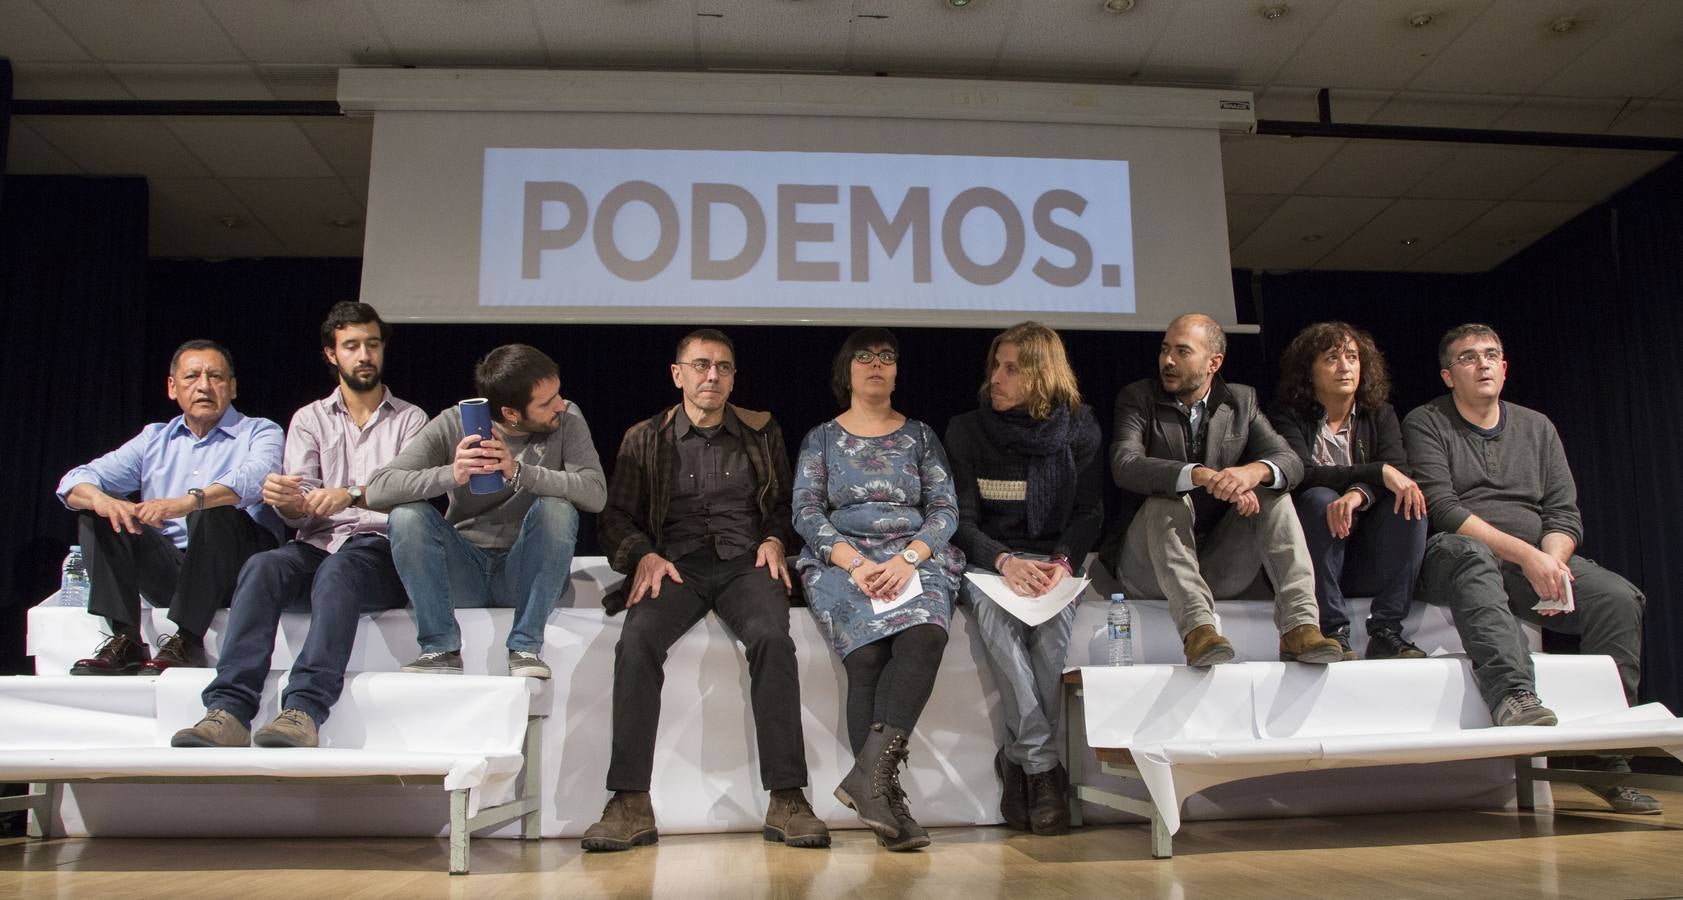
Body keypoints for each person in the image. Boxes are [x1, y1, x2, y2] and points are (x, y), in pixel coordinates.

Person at [582, 329, 827, 852]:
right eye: (699, 365)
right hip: (675, 567)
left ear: (734, 377)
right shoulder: (643, 437)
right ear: (678, 375)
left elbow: (787, 504)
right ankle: (629, 802)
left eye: (722, 366)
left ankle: (787, 799)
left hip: (746, 564)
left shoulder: (761, 432)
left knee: (772, 639)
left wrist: (774, 540)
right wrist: (642, 555)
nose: (711, 375)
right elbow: (616, 517)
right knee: (637, 642)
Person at [1403, 323, 1657, 814]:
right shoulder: (1426, 422)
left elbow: (1563, 512)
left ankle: (1605, 755)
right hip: (1452, 556)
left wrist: (1552, 561)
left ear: (1505, 368)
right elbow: (1444, 508)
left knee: (1617, 598)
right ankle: (1514, 696)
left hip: (1532, 558)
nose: (1483, 364)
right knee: (1472, 554)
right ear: (1447, 375)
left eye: (1492, 355)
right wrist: (1527, 555)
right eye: (1469, 357)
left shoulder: (1537, 426)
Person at [173, 303, 426, 749]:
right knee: (262, 567)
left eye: (372, 344)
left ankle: (304, 708)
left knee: (340, 571)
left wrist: (349, 493)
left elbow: (410, 490)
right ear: (332, 354)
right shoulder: (308, 419)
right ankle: (229, 709)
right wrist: (287, 502)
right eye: (352, 346)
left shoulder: (411, 419)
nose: (364, 355)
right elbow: (298, 510)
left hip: (379, 549)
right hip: (317, 541)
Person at [792, 328, 964, 852]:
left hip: (913, 559)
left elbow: (945, 509)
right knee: (866, 661)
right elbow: (805, 510)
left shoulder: (920, 436)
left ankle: (871, 782)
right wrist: (857, 562)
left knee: (924, 639)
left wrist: (909, 559)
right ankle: (885, 798)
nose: (875, 364)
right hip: (842, 561)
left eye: (886, 356)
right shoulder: (821, 438)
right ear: (846, 372)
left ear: (896, 371)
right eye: (863, 357)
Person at [1111, 313, 1343, 667]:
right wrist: (1199, 475)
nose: (1168, 361)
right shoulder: (1138, 398)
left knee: (1273, 493)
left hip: (1218, 563)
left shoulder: (1241, 401)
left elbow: (1291, 462)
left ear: (1213, 362)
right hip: (1149, 567)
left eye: (1182, 351)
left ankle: (1300, 627)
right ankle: (1198, 632)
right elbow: (1125, 464)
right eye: (1164, 349)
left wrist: (1253, 472)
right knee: (1165, 498)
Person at [945, 322, 1102, 835]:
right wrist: (1006, 562)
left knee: (1052, 636)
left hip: (1053, 559)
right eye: (996, 365)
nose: (997, 377)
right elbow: (960, 521)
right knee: (999, 626)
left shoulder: (1080, 430)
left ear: (1042, 375)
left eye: (1012, 368)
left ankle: (1019, 760)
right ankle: (1042, 767)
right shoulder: (967, 430)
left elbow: (1088, 513)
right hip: (991, 562)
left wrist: (1061, 561)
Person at [366, 344, 606, 678]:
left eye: (558, 393)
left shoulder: (567, 419)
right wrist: (452, 473)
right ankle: (440, 648)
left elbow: (595, 494)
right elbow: (379, 488)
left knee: (557, 509)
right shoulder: (453, 423)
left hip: (522, 570)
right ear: (511, 413)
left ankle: (525, 646)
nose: (560, 405)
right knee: (406, 515)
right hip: (464, 570)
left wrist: (521, 472)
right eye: (546, 401)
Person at [57, 340, 283, 675]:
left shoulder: (260, 431)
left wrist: (188, 501)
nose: (204, 386)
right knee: (97, 514)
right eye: (192, 377)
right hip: (175, 568)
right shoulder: (154, 438)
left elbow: (257, 476)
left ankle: (188, 640)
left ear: (232, 388)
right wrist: (103, 500)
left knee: (210, 509)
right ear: (172, 387)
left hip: (238, 568)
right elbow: (74, 481)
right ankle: (125, 640)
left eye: (216, 377)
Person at [1268, 322, 1428, 660]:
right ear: (1308, 371)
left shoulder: (1380, 414)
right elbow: (1301, 474)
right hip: (1314, 548)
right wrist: (1377, 472)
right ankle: (1331, 629)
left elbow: (1399, 472)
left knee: (1409, 502)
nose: (1345, 367)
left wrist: (1359, 493)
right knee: (1319, 499)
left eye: (1352, 358)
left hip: (1369, 550)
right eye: (1331, 359)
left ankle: (1386, 630)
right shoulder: (1287, 416)